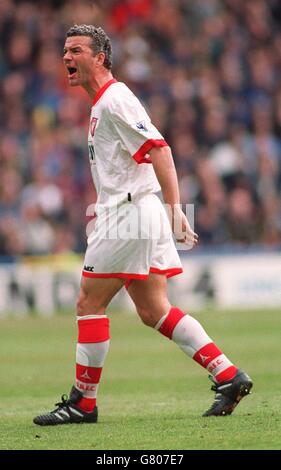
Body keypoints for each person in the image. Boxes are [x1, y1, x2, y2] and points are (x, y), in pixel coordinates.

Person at [33, 25, 253, 426]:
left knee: (88, 302)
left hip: (127, 214)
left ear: (99, 57)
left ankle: (83, 403)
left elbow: (161, 150)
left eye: (76, 50)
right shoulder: (102, 103)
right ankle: (227, 375)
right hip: (136, 211)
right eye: (64, 50)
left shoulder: (115, 100)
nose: (66, 57)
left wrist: (175, 210)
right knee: (154, 310)